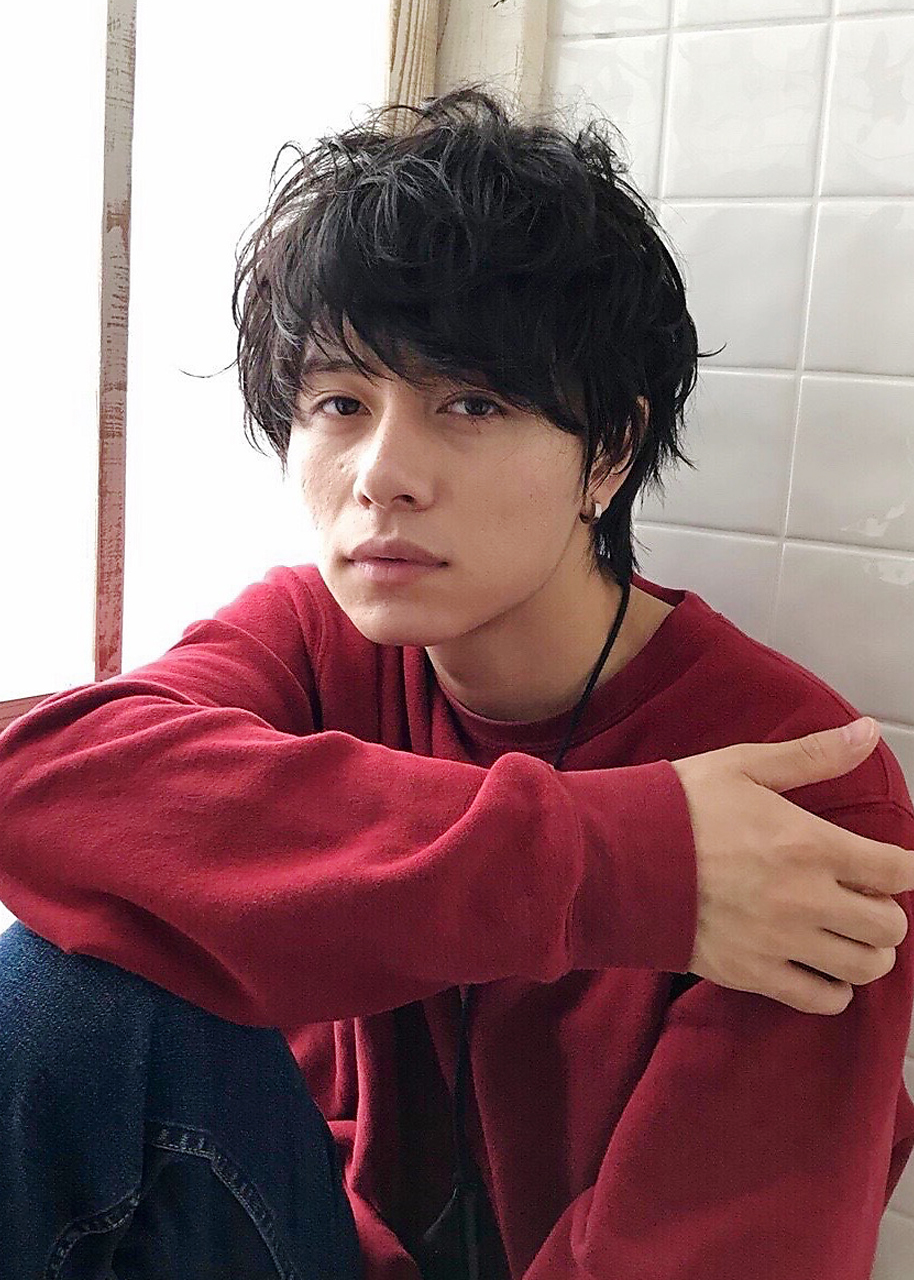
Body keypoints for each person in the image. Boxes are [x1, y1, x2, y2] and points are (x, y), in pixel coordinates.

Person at [1, 85, 913, 1280]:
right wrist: (620, 865)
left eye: (470, 402)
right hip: (314, 1238)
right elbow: (43, 784)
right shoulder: (318, 637)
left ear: (609, 450)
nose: (382, 473)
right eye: (340, 402)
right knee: (69, 992)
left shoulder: (800, 787)